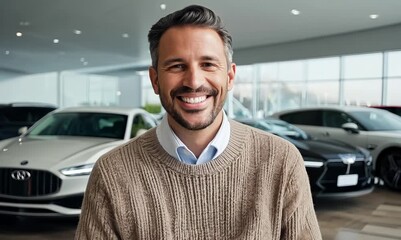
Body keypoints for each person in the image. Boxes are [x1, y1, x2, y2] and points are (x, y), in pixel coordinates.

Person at [75, 5, 322, 239]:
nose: (193, 81)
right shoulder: (112, 172)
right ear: (155, 80)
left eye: (208, 64)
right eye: (177, 65)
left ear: (230, 76)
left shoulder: (281, 161)